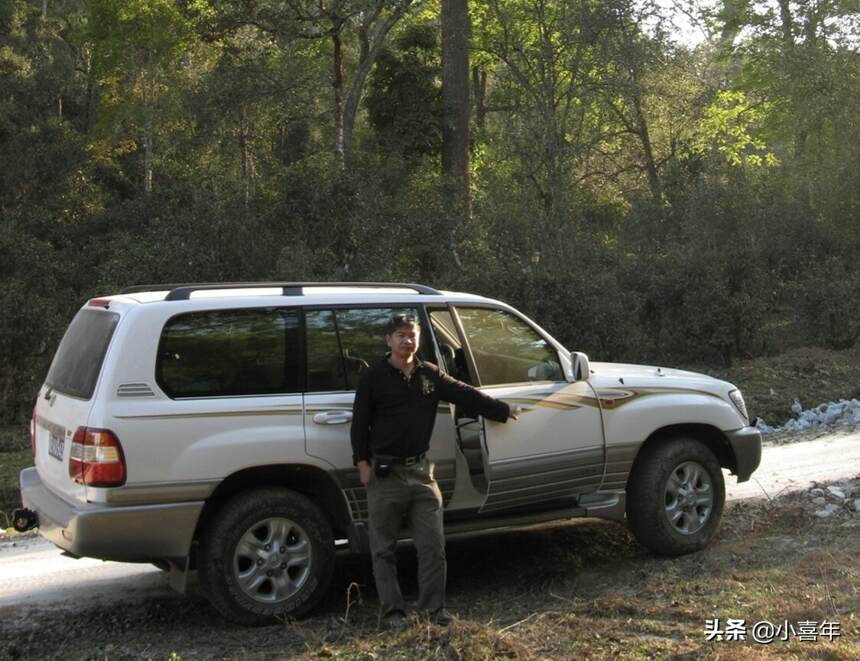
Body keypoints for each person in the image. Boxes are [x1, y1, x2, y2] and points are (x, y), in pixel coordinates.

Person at [351, 314, 519, 629]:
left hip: (421, 473)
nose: (408, 341)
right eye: (401, 335)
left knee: (432, 547)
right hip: (384, 474)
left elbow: (465, 393)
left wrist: (503, 410)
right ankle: (393, 613)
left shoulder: (429, 374)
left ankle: (433, 611)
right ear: (389, 340)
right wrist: (361, 464)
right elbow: (359, 424)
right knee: (383, 550)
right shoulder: (373, 377)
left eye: (412, 335)